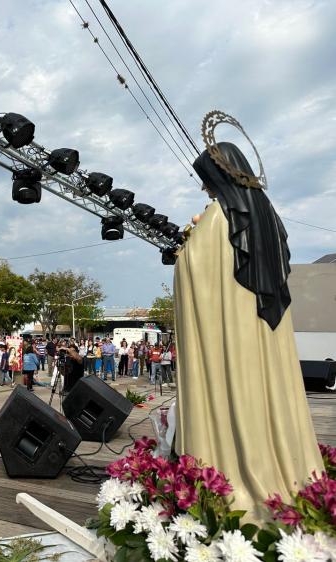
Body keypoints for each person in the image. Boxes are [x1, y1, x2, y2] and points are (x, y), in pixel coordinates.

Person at [174, 128, 323, 521]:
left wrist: (188, 245)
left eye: (209, 183)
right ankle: (287, 469)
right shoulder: (268, 219)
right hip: (264, 330)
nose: (207, 191)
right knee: (269, 392)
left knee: (234, 390)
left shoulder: (221, 218)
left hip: (233, 337)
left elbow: (194, 268)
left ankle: (237, 479)